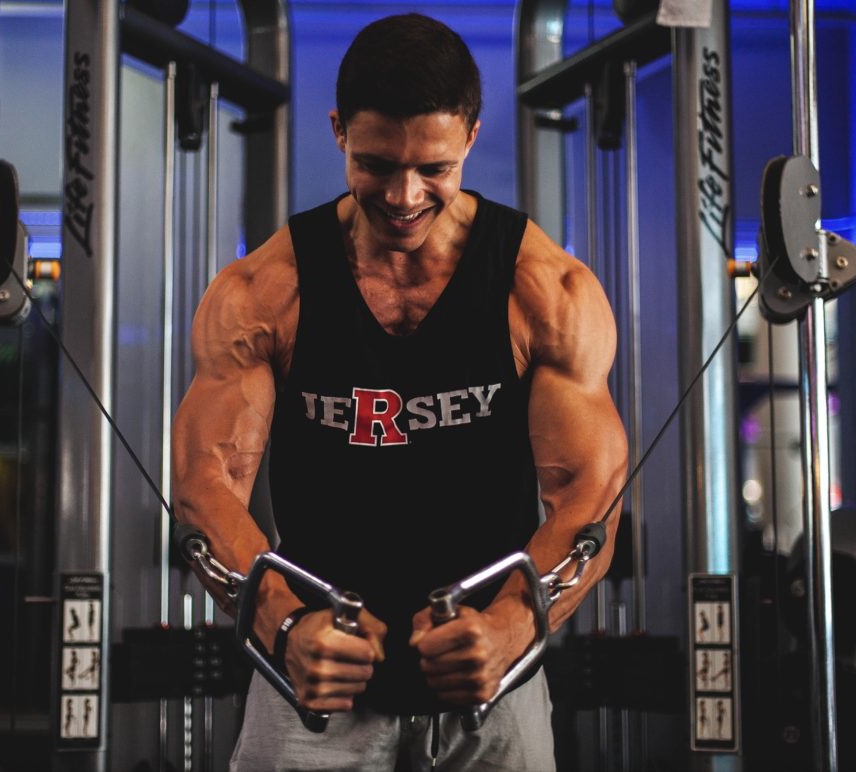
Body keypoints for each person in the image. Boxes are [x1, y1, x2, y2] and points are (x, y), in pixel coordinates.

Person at [172, 12, 628, 771]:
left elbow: (591, 495)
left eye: (435, 169)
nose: (405, 194)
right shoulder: (264, 292)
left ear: (472, 138)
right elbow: (205, 487)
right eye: (376, 163)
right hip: (309, 687)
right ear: (338, 130)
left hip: (495, 683)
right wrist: (285, 629)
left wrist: (513, 625)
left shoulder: (545, 292)